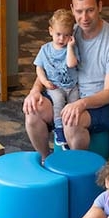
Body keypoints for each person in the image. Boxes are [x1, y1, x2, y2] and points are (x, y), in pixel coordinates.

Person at [23, 0, 109, 160]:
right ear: (72, 9)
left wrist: (81, 104)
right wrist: (35, 90)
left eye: (90, 10)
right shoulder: (68, 33)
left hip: (103, 104)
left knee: (71, 120)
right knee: (32, 110)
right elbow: (46, 65)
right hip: (67, 95)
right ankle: (46, 159)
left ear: (100, 7)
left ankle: (76, 170)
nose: (84, 18)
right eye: (79, 11)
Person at [35, 8, 80, 147]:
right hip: (55, 86)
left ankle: (72, 132)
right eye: (58, 34)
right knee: (59, 103)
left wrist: (71, 47)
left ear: (71, 35)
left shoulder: (70, 48)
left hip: (72, 86)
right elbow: (39, 67)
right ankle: (59, 129)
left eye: (66, 35)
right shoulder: (45, 49)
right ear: (51, 31)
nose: (61, 39)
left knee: (74, 106)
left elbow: (71, 64)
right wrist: (44, 82)